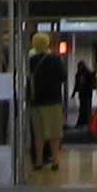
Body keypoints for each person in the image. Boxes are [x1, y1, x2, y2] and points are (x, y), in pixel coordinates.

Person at [25, 31, 68, 172]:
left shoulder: (30, 61)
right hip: (53, 100)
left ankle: (38, 160)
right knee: (54, 132)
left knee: (39, 133)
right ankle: (55, 160)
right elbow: (63, 78)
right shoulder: (55, 59)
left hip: (36, 100)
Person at [72, 52, 97, 131]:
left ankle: (83, 122)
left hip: (83, 93)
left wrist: (74, 93)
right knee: (86, 107)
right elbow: (93, 75)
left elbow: (77, 84)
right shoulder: (87, 73)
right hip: (87, 92)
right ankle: (87, 122)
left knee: (83, 108)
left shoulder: (79, 74)